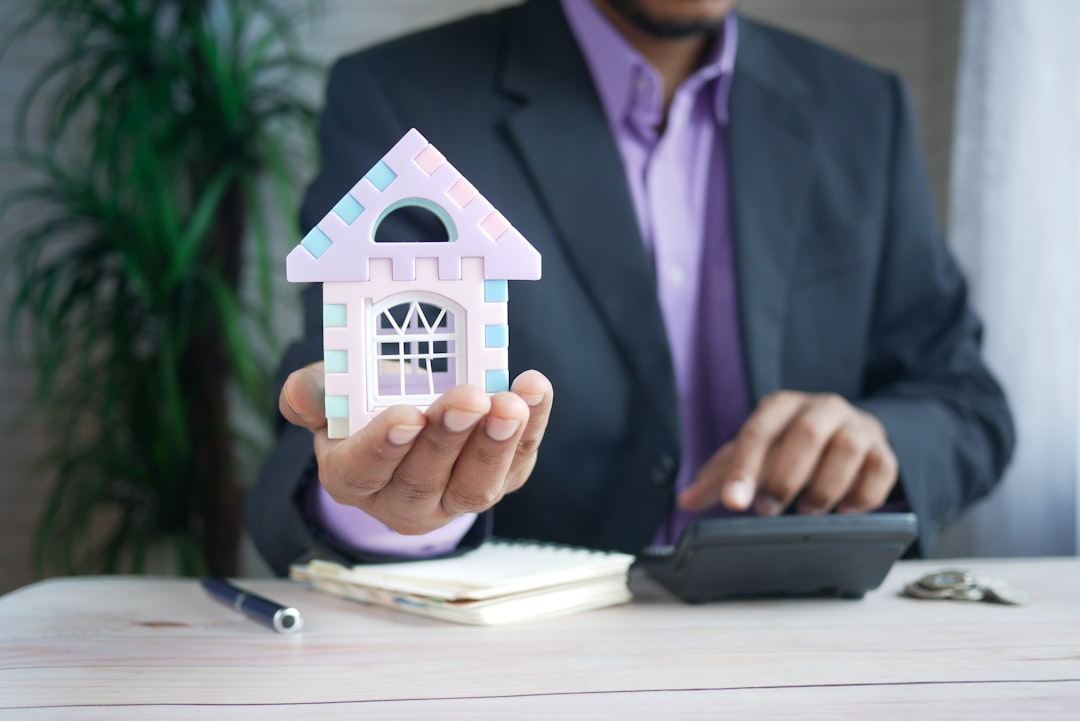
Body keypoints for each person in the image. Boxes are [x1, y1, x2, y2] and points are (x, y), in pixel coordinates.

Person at [246, 0, 1015, 576]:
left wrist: (880, 439)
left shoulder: (862, 110)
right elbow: (340, 405)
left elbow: (966, 400)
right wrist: (393, 509)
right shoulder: (400, 97)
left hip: (811, 637)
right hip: (528, 662)